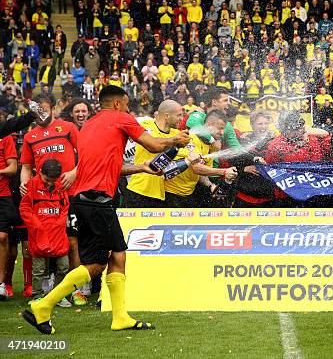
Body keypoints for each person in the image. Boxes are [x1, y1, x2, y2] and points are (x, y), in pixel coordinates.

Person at [22, 85, 190, 334]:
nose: (128, 109)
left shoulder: (89, 125)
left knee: (116, 255)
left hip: (85, 200)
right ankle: (43, 305)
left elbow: (110, 166)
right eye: (126, 104)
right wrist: (176, 139)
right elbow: (154, 145)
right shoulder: (121, 118)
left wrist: (141, 168)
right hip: (99, 201)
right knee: (99, 263)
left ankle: (120, 317)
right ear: (117, 104)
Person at [19, 159, 70, 305]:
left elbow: (65, 206)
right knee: (39, 270)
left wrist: (58, 224)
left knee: (64, 267)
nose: (50, 183)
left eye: (53, 181)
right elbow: (25, 209)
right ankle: (37, 296)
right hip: (38, 236)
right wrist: (38, 227)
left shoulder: (61, 185)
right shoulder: (31, 186)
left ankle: (58, 295)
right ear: (39, 172)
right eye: (47, 180)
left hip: (58, 235)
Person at [0, 130, 18, 300]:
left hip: (3, 195)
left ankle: (1, 284)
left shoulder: (5, 137)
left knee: (3, 237)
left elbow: (13, 167)